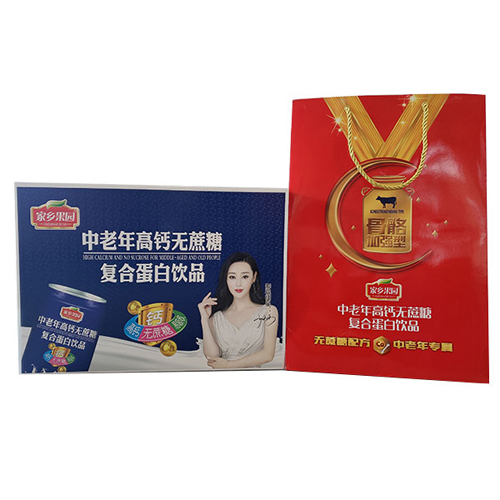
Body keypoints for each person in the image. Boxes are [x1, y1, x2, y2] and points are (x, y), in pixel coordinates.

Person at [198, 251, 278, 369]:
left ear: (254, 277)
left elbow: (267, 355)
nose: (238, 284)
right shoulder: (216, 317)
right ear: (226, 279)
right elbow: (212, 357)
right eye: (232, 277)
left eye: (245, 277)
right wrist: (204, 319)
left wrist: (229, 365)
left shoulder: (268, 311)